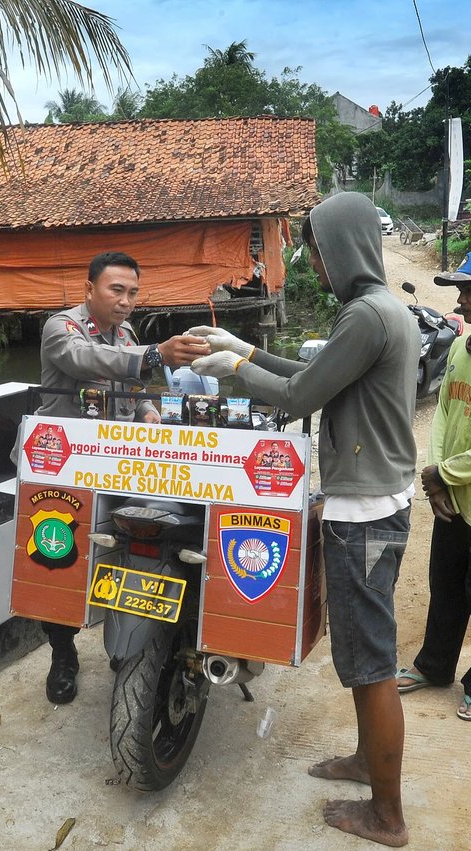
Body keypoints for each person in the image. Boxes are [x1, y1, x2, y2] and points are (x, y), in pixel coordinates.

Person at [188, 192, 420, 847]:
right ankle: (364, 761)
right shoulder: (379, 312)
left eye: (316, 246)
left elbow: (298, 396)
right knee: (360, 657)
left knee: (371, 664)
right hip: (378, 504)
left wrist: (233, 365)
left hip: (363, 514)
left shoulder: (365, 317)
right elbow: (314, 377)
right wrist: (245, 350)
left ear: (341, 245)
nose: (313, 259)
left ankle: (388, 814)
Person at [21, 250, 209, 705]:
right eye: (116, 290)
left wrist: (147, 413)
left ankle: (136, 635)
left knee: (129, 543)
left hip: (115, 462)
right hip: (62, 464)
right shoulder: (61, 328)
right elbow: (89, 361)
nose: (126, 301)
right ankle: (63, 653)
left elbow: (131, 392)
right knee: (58, 558)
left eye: (133, 293)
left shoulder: (124, 332)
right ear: (90, 290)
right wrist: (155, 354)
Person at [396, 252, 471, 722]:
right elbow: (444, 411)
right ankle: (435, 667)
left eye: (468, 289)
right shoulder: (463, 350)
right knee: (445, 586)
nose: (460, 300)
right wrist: (435, 472)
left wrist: (446, 473)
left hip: (458, 486)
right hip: (456, 502)